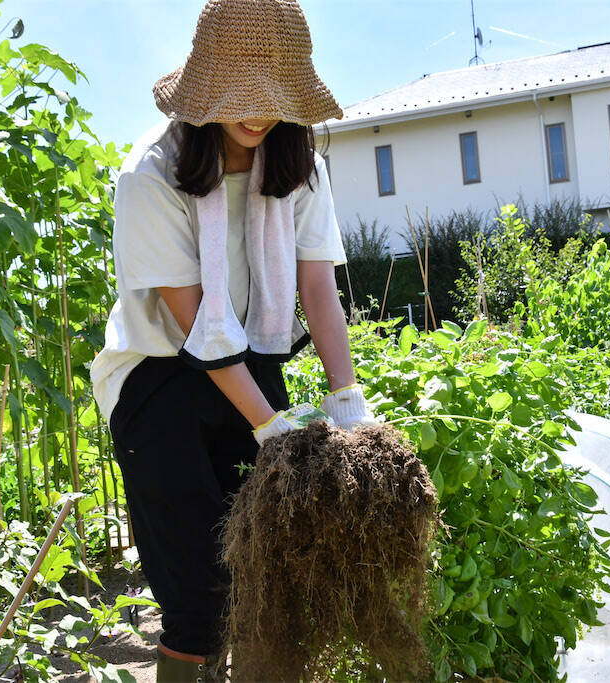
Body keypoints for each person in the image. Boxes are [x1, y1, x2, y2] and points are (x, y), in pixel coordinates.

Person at [89, 1, 374, 679]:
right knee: (198, 594)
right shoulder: (151, 176)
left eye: (273, 100)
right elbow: (196, 326)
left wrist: (348, 402)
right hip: (159, 381)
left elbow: (317, 291)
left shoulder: (299, 166)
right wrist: (270, 427)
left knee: (270, 575)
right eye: (241, 99)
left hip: (253, 358)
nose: (259, 115)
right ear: (206, 89)